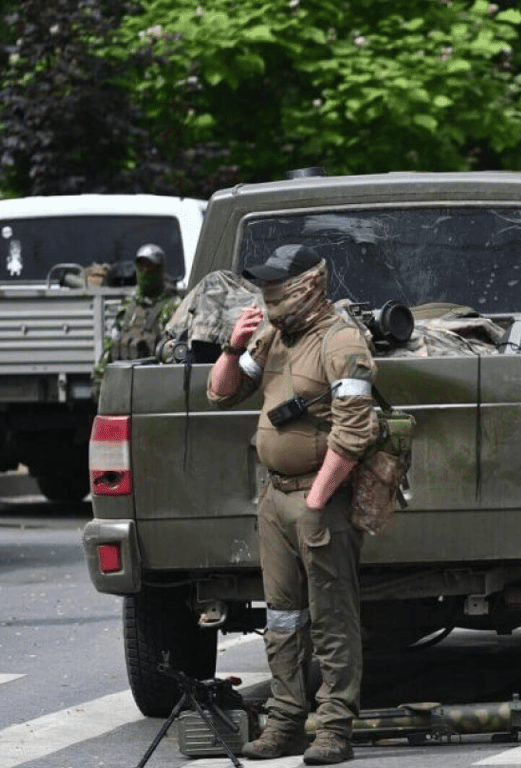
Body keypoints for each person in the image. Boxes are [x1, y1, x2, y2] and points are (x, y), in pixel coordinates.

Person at [207, 244, 376, 764]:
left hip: (317, 498)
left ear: (309, 283)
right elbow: (221, 394)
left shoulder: (341, 341)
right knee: (282, 618)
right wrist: (233, 349)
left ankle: (333, 729)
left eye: (281, 281)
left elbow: (354, 432)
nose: (270, 292)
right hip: (275, 497)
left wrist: (318, 501)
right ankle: (284, 723)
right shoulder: (273, 334)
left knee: (331, 617)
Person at [92, 244, 179, 396]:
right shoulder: (129, 305)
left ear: (159, 269)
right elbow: (112, 345)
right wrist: (100, 381)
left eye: (150, 266)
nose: (145, 271)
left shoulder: (173, 306)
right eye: (141, 266)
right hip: (124, 388)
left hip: (155, 388)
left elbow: (175, 353)